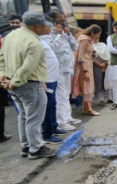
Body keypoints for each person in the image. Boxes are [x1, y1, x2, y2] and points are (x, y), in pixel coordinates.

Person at [0, 11, 57, 159]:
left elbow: (1, 58)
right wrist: (14, 81)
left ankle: (26, 146)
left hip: (14, 83)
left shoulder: (9, 36)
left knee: (24, 116)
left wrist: (4, 77)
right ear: (37, 26)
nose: (46, 28)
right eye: (44, 26)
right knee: (34, 118)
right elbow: (28, 67)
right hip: (28, 84)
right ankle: (36, 148)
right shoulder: (33, 42)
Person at [47, 9, 81, 131]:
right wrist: (59, 35)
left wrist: (69, 34)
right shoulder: (49, 34)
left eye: (63, 20)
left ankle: (67, 117)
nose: (63, 23)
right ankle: (61, 122)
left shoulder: (65, 33)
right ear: (53, 21)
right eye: (60, 20)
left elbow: (75, 46)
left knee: (66, 94)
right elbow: (51, 48)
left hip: (67, 69)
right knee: (60, 96)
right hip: (58, 69)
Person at [40, 18, 67, 144]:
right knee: (47, 107)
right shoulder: (40, 40)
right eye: (49, 27)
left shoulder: (44, 39)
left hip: (52, 77)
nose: (51, 29)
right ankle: (47, 133)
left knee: (53, 104)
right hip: (46, 78)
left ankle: (53, 127)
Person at [72, 25, 102, 116]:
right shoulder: (84, 40)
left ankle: (85, 108)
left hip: (89, 65)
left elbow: (88, 53)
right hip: (84, 67)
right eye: (98, 34)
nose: (99, 36)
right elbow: (80, 56)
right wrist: (85, 71)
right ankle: (88, 108)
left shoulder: (89, 40)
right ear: (92, 33)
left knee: (88, 86)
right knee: (87, 86)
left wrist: (93, 55)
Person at [93, 38, 111, 106]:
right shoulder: (91, 46)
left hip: (105, 64)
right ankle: (101, 99)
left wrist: (105, 63)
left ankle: (110, 98)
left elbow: (107, 56)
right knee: (99, 82)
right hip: (96, 66)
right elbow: (93, 58)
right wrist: (100, 65)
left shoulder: (103, 45)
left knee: (108, 80)